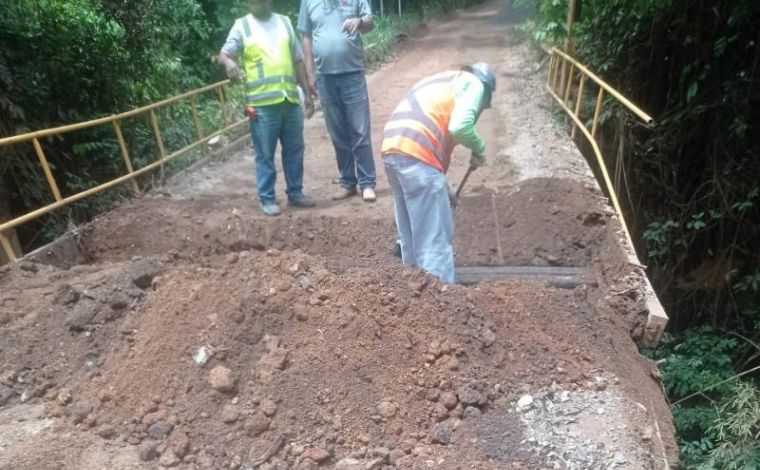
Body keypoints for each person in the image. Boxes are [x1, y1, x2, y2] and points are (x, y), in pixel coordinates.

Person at [381, 62, 496, 283]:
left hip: (393, 149)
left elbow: (428, 140)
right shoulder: (474, 84)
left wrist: (445, 187)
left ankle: (413, 291)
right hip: (417, 154)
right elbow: (459, 127)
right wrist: (479, 148)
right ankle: (441, 300)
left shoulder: (445, 80)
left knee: (410, 235)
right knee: (434, 239)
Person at [219, 0, 316, 216]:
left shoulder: (285, 23)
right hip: (261, 106)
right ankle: (267, 198)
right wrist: (229, 63)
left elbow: (298, 59)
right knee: (265, 154)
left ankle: (295, 193)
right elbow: (225, 54)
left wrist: (307, 94)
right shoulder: (242, 26)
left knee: (294, 149)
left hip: (289, 100)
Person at [298, 0, 378, 202]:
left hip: (352, 74)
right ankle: (348, 183)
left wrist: (359, 22)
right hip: (325, 77)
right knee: (338, 133)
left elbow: (370, 23)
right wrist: (309, 73)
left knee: (360, 131)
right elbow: (306, 37)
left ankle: (367, 183)